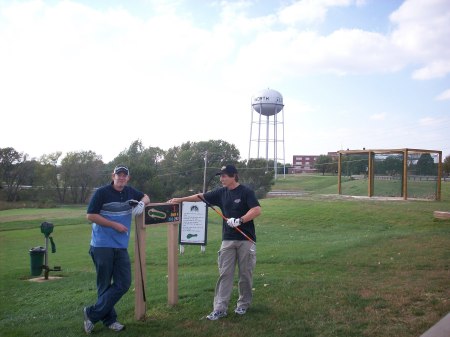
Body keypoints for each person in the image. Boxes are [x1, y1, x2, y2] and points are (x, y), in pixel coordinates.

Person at [168, 164, 261, 320]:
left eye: (224, 175)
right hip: (228, 240)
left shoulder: (246, 192)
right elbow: (200, 197)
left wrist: (240, 220)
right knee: (225, 274)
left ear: (234, 176)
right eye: (221, 176)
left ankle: (243, 304)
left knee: (245, 274)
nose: (221, 178)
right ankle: (220, 308)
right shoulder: (220, 193)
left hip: (246, 239)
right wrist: (180, 200)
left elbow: (257, 210)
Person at [83, 165, 150, 334]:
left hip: (120, 246)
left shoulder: (129, 192)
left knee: (124, 283)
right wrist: (114, 225)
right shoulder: (102, 192)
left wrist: (141, 203)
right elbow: (90, 215)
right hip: (101, 245)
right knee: (104, 285)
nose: (121, 178)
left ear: (128, 178)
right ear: (113, 176)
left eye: (124, 175)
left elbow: (146, 196)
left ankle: (92, 313)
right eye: (118, 175)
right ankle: (110, 320)